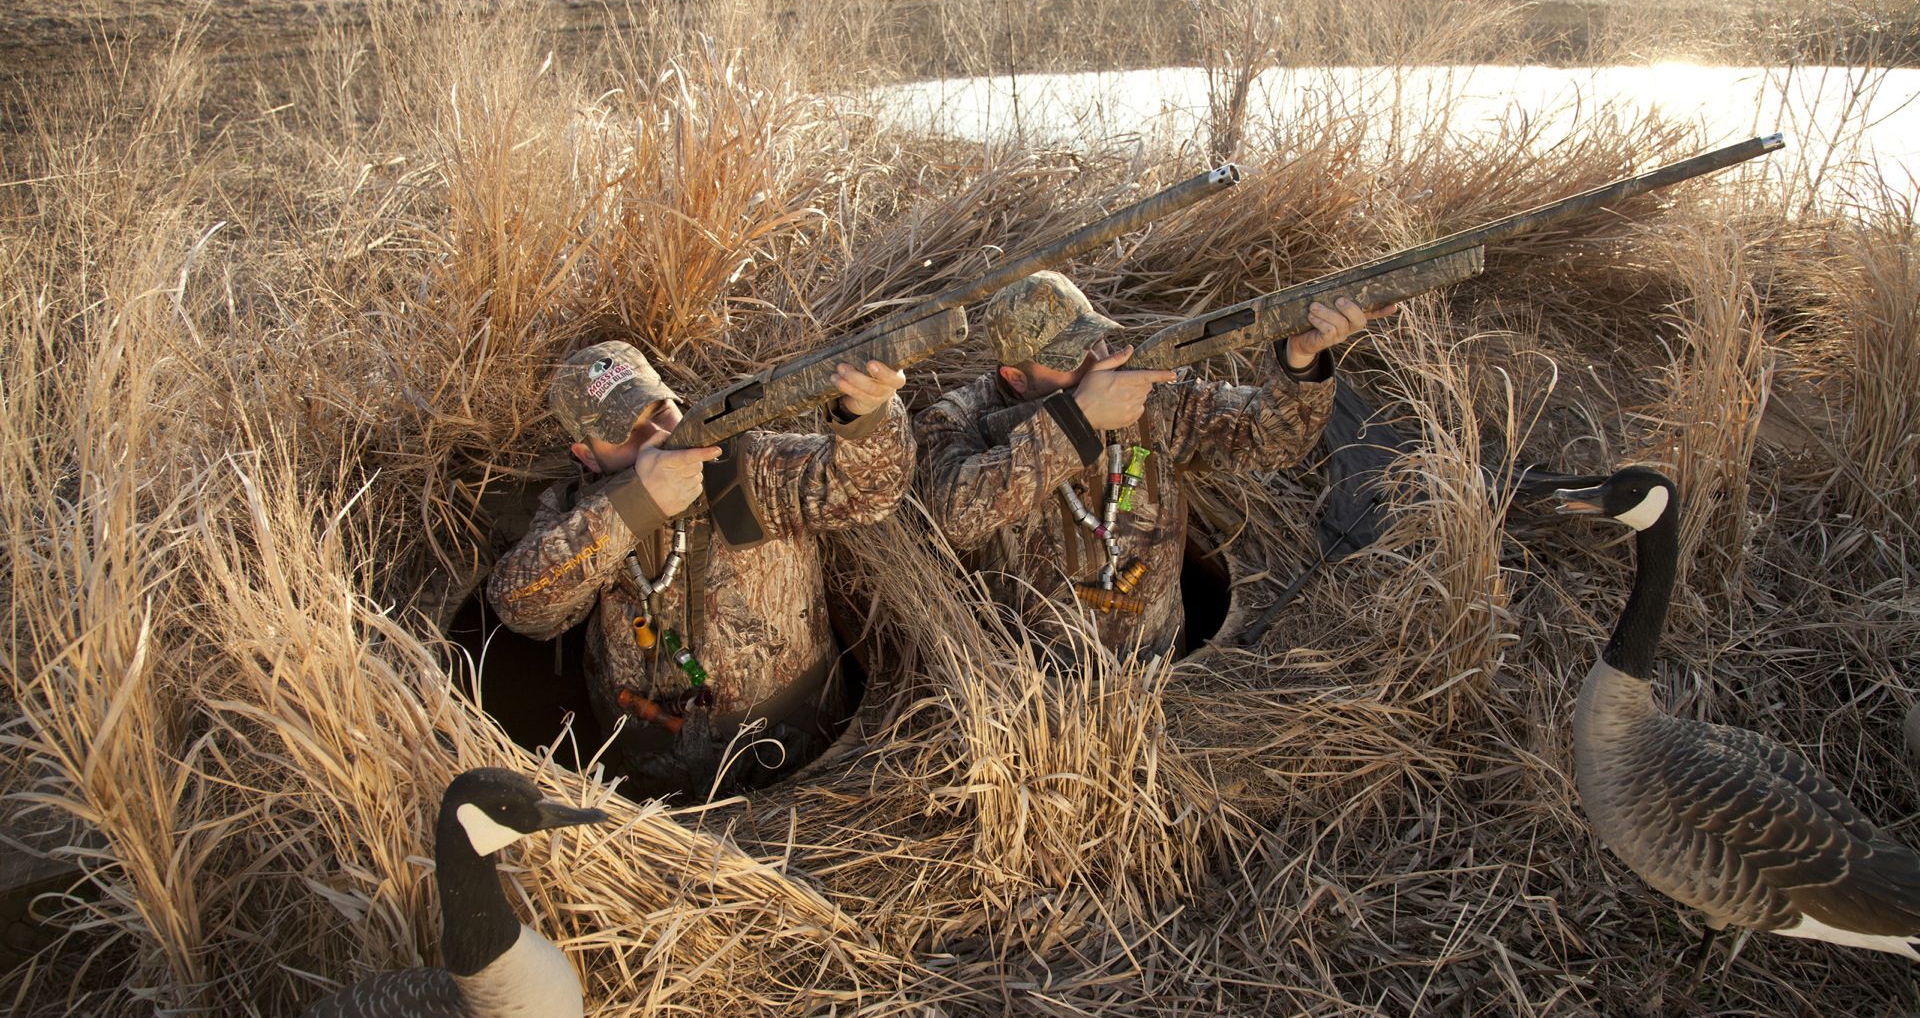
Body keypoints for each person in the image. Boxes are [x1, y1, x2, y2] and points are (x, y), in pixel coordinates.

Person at [488, 340, 911, 798]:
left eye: (659, 411)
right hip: (651, 781)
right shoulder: (573, 512)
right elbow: (521, 608)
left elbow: (869, 490)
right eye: (623, 433)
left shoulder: (746, 465)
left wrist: (866, 414)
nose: (655, 436)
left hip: (797, 758)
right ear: (587, 455)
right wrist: (636, 504)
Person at [913, 270, 1391, 661]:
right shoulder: (955, 420)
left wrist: (1301, 359)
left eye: (1096, 341)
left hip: (1164, 674)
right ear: (1015, 378)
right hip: (1030, 691)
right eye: (1069, 358)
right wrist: (1076, 422)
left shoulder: (1149, 394)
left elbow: (1272, 439)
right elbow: (954, 516)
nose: (1096, 362)